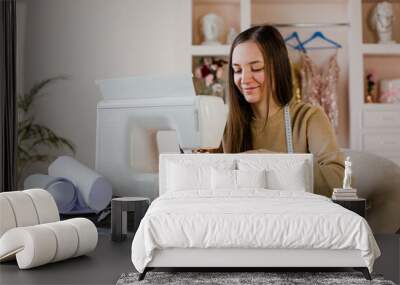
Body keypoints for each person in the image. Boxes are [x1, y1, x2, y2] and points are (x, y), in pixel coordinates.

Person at [221, 25, 345, 197]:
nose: (244, 79)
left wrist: (270, 162)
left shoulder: (308, 119)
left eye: (256, 68)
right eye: (237, 70)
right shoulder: (227, 127)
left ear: (277, 67)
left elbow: (339, 180)